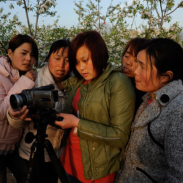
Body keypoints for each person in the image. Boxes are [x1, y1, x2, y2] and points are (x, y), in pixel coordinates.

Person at [55, 30, 135, 183]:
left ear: (98, 54)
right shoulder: (80, 81)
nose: (81, 68)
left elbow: (120, 136)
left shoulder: (117, 82)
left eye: (85, 60)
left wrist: (77, 123)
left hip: (97, 171)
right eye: (77, 63)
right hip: (69, 161)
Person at [117, 38, 183, 183]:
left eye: (142, 66)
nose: (135, 71)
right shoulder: (150, 97)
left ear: (166, 76)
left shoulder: (178, 110)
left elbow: (178, 176)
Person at [7, 39, 71, 183]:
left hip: (59, 154)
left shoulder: (75, 85)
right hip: (30, 153)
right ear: (48, 59)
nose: (61, 65)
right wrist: (16, 116)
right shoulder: (34, 81)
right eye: (57, 58)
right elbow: (14, 119)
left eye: (67, 60)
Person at [0, 34, 38, 183]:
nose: (29, 58)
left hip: (14, 145)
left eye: (32, 55)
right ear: (10, 53)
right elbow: (1, 112)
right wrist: (24, 82)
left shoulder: (25, 76)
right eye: (23, 53)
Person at [122, 38, 150, 112]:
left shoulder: (146, 91)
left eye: (136, 60)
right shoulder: (115, 79)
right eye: (127, 56)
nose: (128, 62)